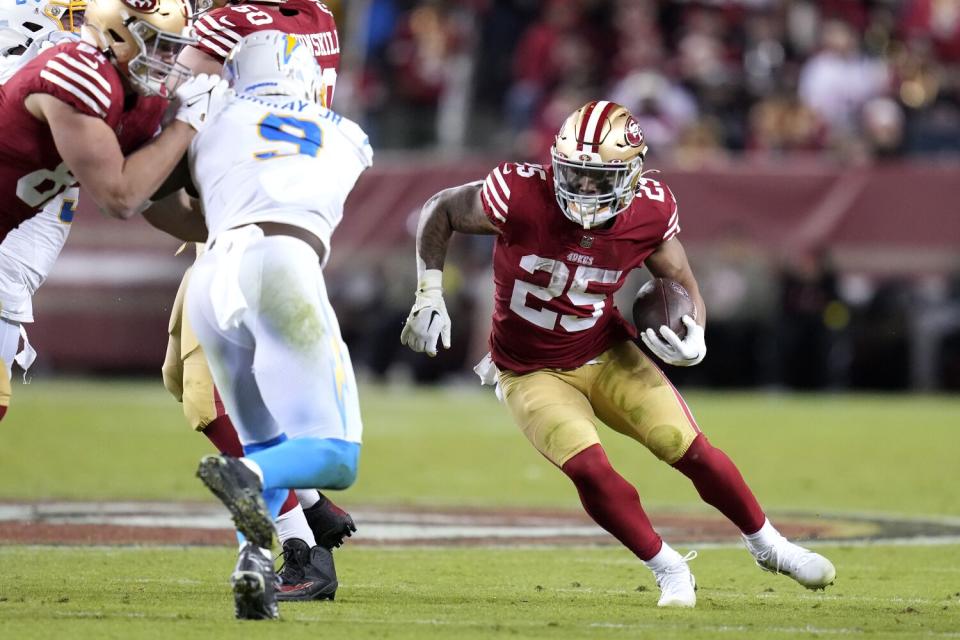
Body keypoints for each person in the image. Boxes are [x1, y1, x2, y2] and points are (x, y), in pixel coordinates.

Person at [400, 100, 836, 608]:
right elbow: (441, 208)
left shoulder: (650, 208)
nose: (582, 189)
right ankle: (668, 567)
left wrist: (695, 332)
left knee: (687, 446)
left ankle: (769, 546)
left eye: (597, 178)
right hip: (529, 368)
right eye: (574, 174)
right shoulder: (519, 192)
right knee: (588, 467)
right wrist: (429, 292)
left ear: (631, 173)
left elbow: (680, 283)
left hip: (605, 351)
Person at [152, 0, 354, 602]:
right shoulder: (315, 19)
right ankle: (313, 505)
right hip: (276, 203)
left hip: (243, 218)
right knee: (178, 377)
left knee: (210, 404)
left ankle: (300, 550)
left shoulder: (238, 21)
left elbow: (173, 95)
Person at [0, 0, 223, 417]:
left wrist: (244, 225)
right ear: (117, 35)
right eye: (157, 46)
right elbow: (120, 198)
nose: (168, 62)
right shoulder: (77, 72)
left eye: (172, 48)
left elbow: (160, 207)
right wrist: (188, 122)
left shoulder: (135, 95)